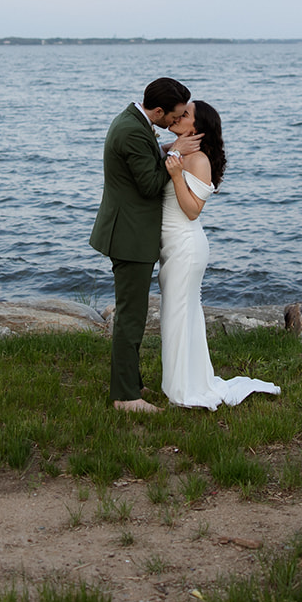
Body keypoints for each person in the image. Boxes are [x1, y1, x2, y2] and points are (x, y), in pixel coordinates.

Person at [158, 100, 280, 409]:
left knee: (179, 315)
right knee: (180, 316)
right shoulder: (180, 152)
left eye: (185, 115)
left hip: (186, 245)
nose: (177, 115)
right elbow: (156, 150)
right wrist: (175, 146)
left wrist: (174, 176)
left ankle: (185, 389)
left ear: (197, 129)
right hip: (172, 245)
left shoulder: (198, 160)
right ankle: (184, 382)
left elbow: (192, 211)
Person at [90, 77, 201, 413]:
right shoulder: (132, 131)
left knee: (133, 313)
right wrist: (176, 155)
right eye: (174, 115)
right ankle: (125, 397)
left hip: (129, 231)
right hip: (129, 235)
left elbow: (143, 161)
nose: (175, 122)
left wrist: (165, 150)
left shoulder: (134, 121)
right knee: (131, 316)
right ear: (158, 110)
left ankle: (132, 381)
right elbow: (151, 186)